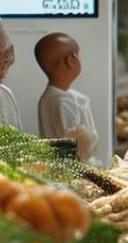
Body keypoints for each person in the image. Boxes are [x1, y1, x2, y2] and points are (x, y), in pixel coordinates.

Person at [34, 32, 97, 161]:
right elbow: (79, 147)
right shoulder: (64, 101)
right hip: (70, 172)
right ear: (71, 60)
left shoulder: (48, 97)